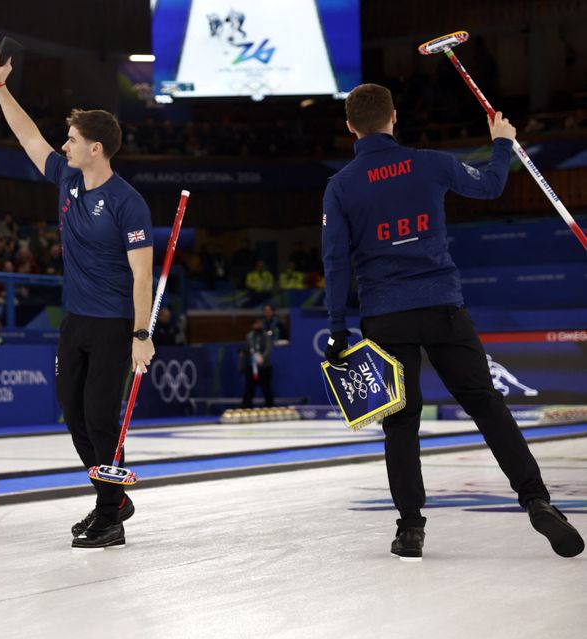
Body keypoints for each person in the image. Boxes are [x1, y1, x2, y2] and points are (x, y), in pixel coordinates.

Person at [321, 83, 583, 560]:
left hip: (385, 316)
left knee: (400, 424)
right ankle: (537, 500)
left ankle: (411, 528)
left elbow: (336, 260)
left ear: (350, 127)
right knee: (486, 404)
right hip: (442, 306)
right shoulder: (431, 162)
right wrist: (502, 141)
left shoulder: (341, 185)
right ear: (394, 118)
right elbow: (490, 185)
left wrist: (337, 327)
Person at [0, 52, 154, 548]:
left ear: (96, 148)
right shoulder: (67, 178)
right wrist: (0, 89)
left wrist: (141, 335)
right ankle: (113, 497)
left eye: (73, 141)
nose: (64, 146)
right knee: (73, 411)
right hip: (75, 321)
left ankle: (110, 515)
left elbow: (142, 272)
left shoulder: (129, 202)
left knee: (100, 417)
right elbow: (28, 136)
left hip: (113, 325)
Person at [241, 317, 273, 408]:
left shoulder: (266, 335)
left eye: (258, 323)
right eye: (255, 324)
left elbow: (268, 348)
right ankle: (246, 407)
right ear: (252, 325)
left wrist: (262, 357)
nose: (257, 325)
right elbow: (248, 348)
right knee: (249, 388)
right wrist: (246, 353)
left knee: (266, 388)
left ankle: (269, 407)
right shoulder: (249, 336)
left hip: (264, 366)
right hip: (252, 366)